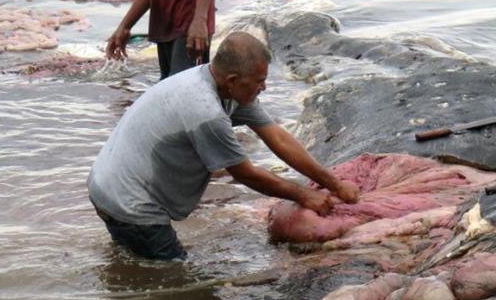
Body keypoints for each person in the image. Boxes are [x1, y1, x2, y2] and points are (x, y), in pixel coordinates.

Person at [88, 32, 361, 261]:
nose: (264, 87)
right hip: (131, 203)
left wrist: (333, 183)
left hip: (106, 185)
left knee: (132, 263)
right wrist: (303, 195)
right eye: (259, 81)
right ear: (232, 80)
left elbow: (278, 138)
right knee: (180, 282)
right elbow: (245, 174)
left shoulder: (220, 85)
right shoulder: (206, 111)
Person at [106, 0, 214, 78]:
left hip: (190, 24)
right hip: (164, 24)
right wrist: (125, 26)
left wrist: (200, 19)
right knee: (166, 82)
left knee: (180, 85)